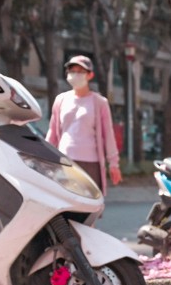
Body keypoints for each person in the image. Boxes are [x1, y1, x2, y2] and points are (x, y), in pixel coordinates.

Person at [47, 55, 122, 193]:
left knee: (87, 208)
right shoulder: (61, 100)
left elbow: (108, 135)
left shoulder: (100, 102)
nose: (75, 75)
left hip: (90, 164)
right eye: (72, 71)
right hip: (65, 161)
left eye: (80, 72)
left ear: (90, 75)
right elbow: (53, 132)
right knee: (65, 206)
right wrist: (44, 156)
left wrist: (114, 163)